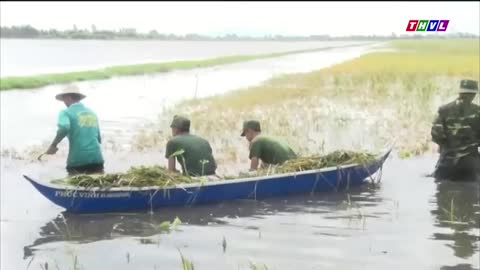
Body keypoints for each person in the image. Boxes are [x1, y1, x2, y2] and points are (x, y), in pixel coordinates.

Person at [45, 85, 104, 176]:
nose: (64, 102)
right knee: (98, 185)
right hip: (97, 159)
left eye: (64, 99)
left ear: (68, 97)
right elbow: (99, 139)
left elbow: (64, 127)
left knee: (73, 186)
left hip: (77, 161)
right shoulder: (92, 113)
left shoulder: (65, 113)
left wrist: (53, 145)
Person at [431, 79, 480, 181]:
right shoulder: (478, 112)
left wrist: (445, 146)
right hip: (470, 164)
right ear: (474, 94)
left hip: (447, 162)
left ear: (460, 92)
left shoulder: (444, 110)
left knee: (442, 191)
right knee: (471, 193)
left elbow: (436, 134)